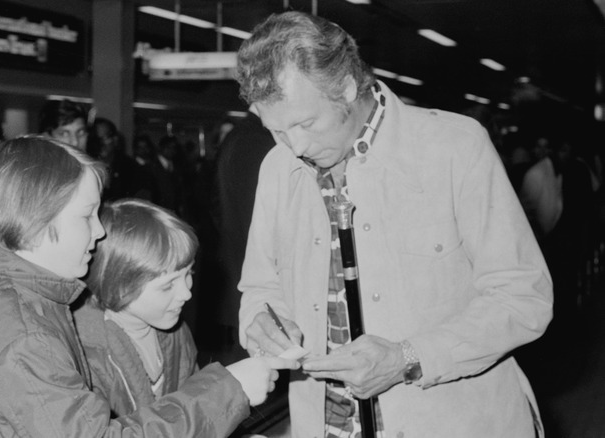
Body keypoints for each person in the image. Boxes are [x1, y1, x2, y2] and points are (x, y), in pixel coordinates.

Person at [234, 11, 553, 438]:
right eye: (276, 130)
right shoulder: (277, 168)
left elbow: (523, 297)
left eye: (306, 123)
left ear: (347, 87)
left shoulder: (455, 147)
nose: (296, 147)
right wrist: (262, 324)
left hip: (451, 423)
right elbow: (260, 289)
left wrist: (408, 357)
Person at [0, 136, 298, 437]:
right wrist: (228, 390)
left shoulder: (8, 291)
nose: (99, 230)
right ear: (34, 222)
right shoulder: (26, 339)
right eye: (87, 215)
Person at [73, 197, 292, 420]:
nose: (186, 293)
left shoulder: (176, 332)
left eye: (189, 274)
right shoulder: (85, 356)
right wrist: (225, 392)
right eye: (168, 285)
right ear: (119, 286)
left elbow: (194, 409)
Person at [212, 112, 275, 348]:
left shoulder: (238, 137)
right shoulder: (258, 142)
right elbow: (259, 217)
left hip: (237, 265)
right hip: (256, 274)